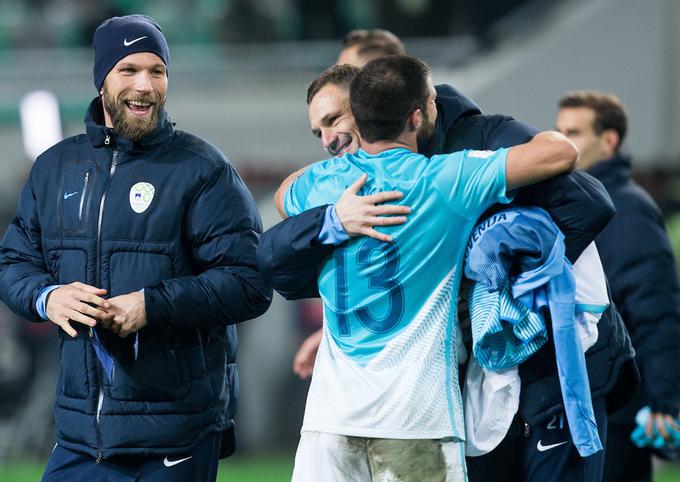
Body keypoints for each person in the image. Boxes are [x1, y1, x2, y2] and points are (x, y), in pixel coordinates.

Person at [281, 54, 579, 481]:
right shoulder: (447, 180)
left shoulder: (325, 184)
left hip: (330, 424)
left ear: (356, 121)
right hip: (414, 422)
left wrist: (335, 216)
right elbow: (559, 152)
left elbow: (283, 194)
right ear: (417, 116)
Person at [0, 15, 272, 482]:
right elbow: (14, 263)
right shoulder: (54, 168)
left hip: (177, 433)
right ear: (101, 79)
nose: (145, 86)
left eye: (157, 70)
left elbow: (249, 281)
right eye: (128, 70)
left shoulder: (202, 168)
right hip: (82, 435)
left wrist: (151, 305)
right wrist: (49, 297)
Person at [556, 91, 680, 482]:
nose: (560, 141)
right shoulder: (578, 201)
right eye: (558, 131)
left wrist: (664, 400)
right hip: (592, 402)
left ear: (608, 141)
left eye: (573, 132)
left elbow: (656, 311)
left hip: (619, 408)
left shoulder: (628, 209)